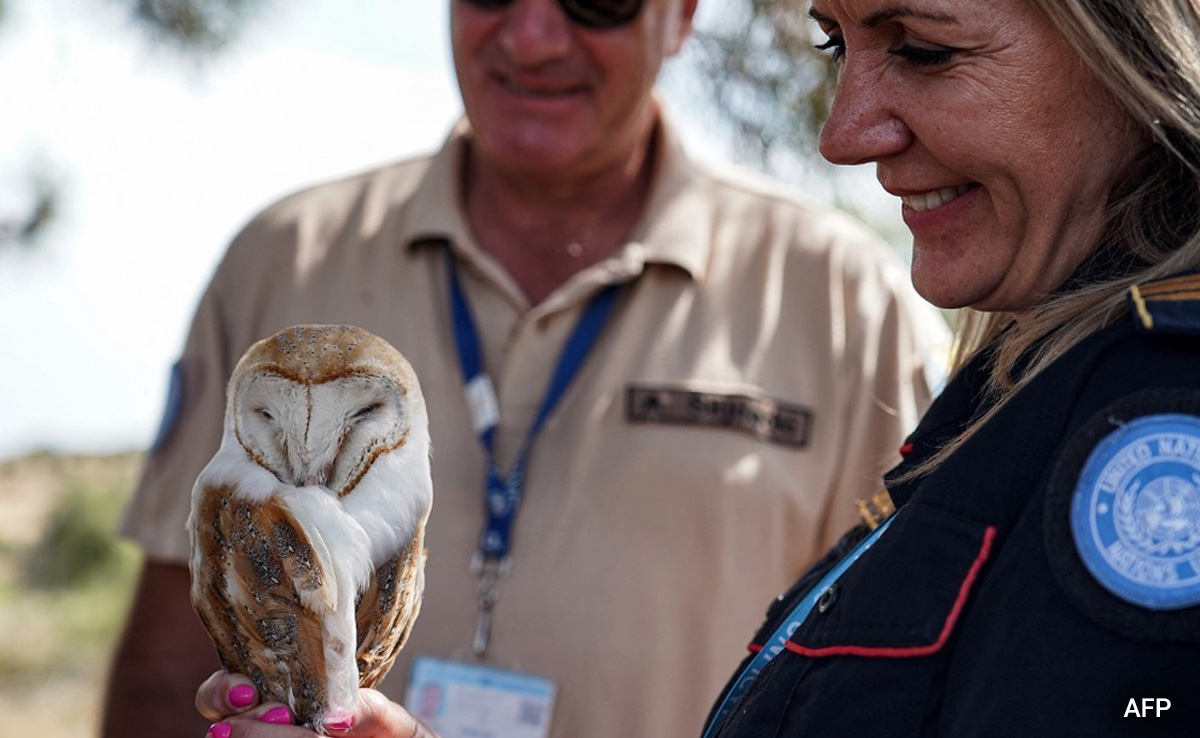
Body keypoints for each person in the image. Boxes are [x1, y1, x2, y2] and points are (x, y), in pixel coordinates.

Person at [103, 1, 948, 738]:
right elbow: (167, 663)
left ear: (683, 14)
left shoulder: (849, 306)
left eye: (594, 2)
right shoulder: (285, 260)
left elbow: (905, 686)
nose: (533, 36)